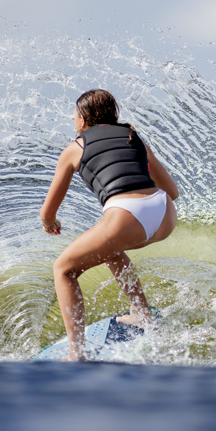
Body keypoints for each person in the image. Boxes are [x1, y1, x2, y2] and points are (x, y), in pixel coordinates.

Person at [40, 89, 179, 361]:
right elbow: (172, 191)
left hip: (127, 215)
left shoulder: (75, 148)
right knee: (109, 248)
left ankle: (76, 353)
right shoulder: (133, 137)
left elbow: (47, 212)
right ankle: (141, 313)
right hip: (164, 213)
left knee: (63, 269)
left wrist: (50, 223)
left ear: (82, 119)